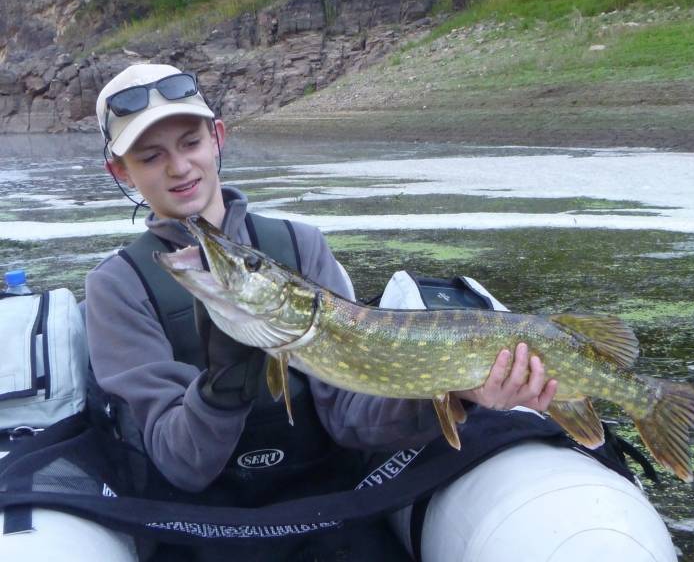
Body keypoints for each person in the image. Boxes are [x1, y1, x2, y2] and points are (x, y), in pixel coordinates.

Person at [83, 63, 560, 560]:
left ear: (217, 138)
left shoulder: (298, 244)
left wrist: (459, 391)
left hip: (328, 508)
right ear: (121, 171)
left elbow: (351, 418)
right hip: (205, 526)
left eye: (190, 142)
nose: (179, 168)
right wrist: (224, 387)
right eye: (151, 156)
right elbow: (181, 465)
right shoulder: (118, 286)